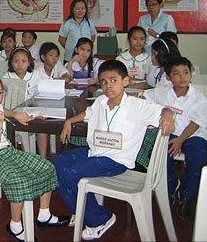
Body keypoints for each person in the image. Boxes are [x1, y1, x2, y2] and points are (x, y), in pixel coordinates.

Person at [54, 60, 175, 240]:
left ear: (125, 81)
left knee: (72, 173)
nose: (108, 86)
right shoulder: (101, 101)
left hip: (116, 160)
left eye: (113, 80)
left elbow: (164, 110)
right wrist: (69, 121)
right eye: (103, 82)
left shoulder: (136, 105)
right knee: (57, 163)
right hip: (95, 152)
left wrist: (168, 116)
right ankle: (79, 210)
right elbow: (87, 113)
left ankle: (100, 218)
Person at [0, 74, 69, 241]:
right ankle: (15, 225)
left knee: (46, 166)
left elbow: (3, 111)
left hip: (6, 152)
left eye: (0, 93)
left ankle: (44, 214)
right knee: (18, 180)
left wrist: (15, 114)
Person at [144, 56, 207, 220]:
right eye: (177, 73)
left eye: (186, 73)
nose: (182, 77)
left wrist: (180, 140)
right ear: (168, 77)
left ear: (191, 75)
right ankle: (168, 190)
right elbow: (145, 97)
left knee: (199, 157)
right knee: (161, 154)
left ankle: (186, 195)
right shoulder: (162, 92)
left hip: (193, 135)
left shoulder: (198, 96)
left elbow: (196, 123)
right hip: (170, 133)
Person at [58, 0, 97, 64]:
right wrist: (70, 48)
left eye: (82, 8)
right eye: (77, 8)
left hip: (86, 57)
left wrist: (86, 48)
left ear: (86, 10)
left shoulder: (89, 22)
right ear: (72, 10)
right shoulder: (67, 23)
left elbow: (92, 36)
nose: (80, 10)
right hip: (70, 57)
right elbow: (61, 39)